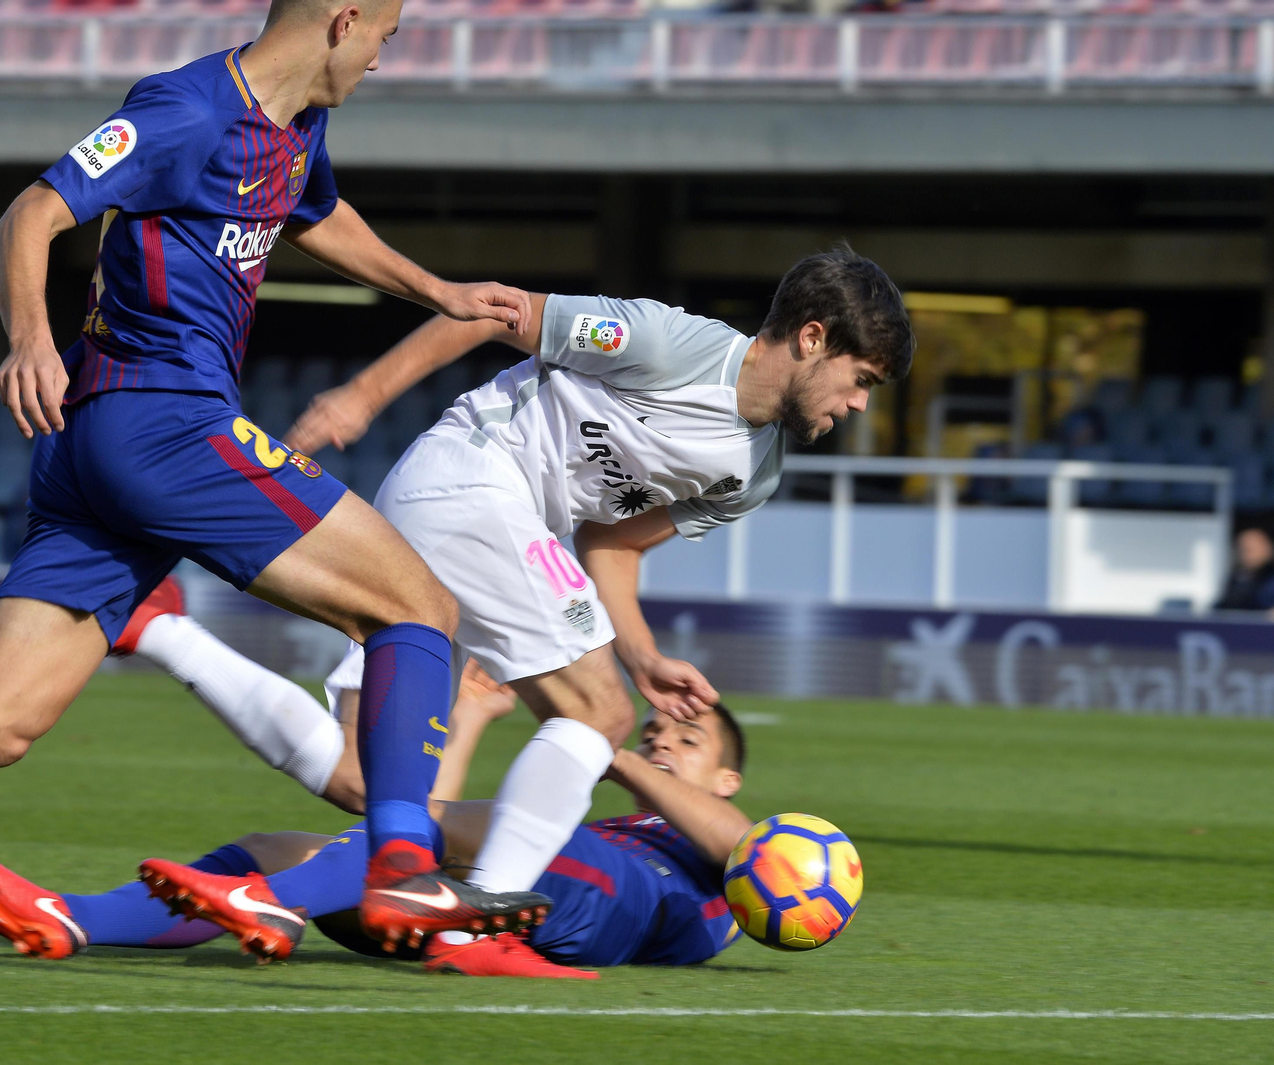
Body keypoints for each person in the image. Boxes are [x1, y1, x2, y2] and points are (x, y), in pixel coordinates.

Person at [0, 0, 554, 941]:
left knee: (0, 719)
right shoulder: (186, 111)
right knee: (419, 610)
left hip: (93, 451)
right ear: (343, 21)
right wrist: (29, 340)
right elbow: (32, 212)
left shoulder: (297, 125)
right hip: (163, 423)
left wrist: (439, 292)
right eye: (387, 34)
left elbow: (316, 214)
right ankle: (406, 868)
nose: (383, 59)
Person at [277, 245, 911, 950]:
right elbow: (496, 311)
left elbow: (612, 543)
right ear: (813, 337)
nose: (857, 404)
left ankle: (233, 851)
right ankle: (477, 920)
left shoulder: (752, 474)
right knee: (600, 713)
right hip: (472, 480)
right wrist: (361, 397)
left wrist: (641, 655)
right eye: (861, 380)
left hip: (484, 524)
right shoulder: (668, 343)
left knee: (366, 776)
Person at [0, 661, 755, 978]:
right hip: (542, 901)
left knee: (430, 833)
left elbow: (743, 848)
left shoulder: (732, 856)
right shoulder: (608, 825)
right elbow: (424, 818)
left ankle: (275, 903)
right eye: (654, 731)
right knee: (281, 847)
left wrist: (600, 744)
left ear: (728, 777)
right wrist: (470, 719)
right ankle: (71, 917)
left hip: (622, 901)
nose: (660, 740)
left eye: (685, 739)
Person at [1215, 527, 1274, 612]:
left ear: (1268, 550)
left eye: (1250, 550)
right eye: (1242, 549)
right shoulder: (1236, 578)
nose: (1245, 554)